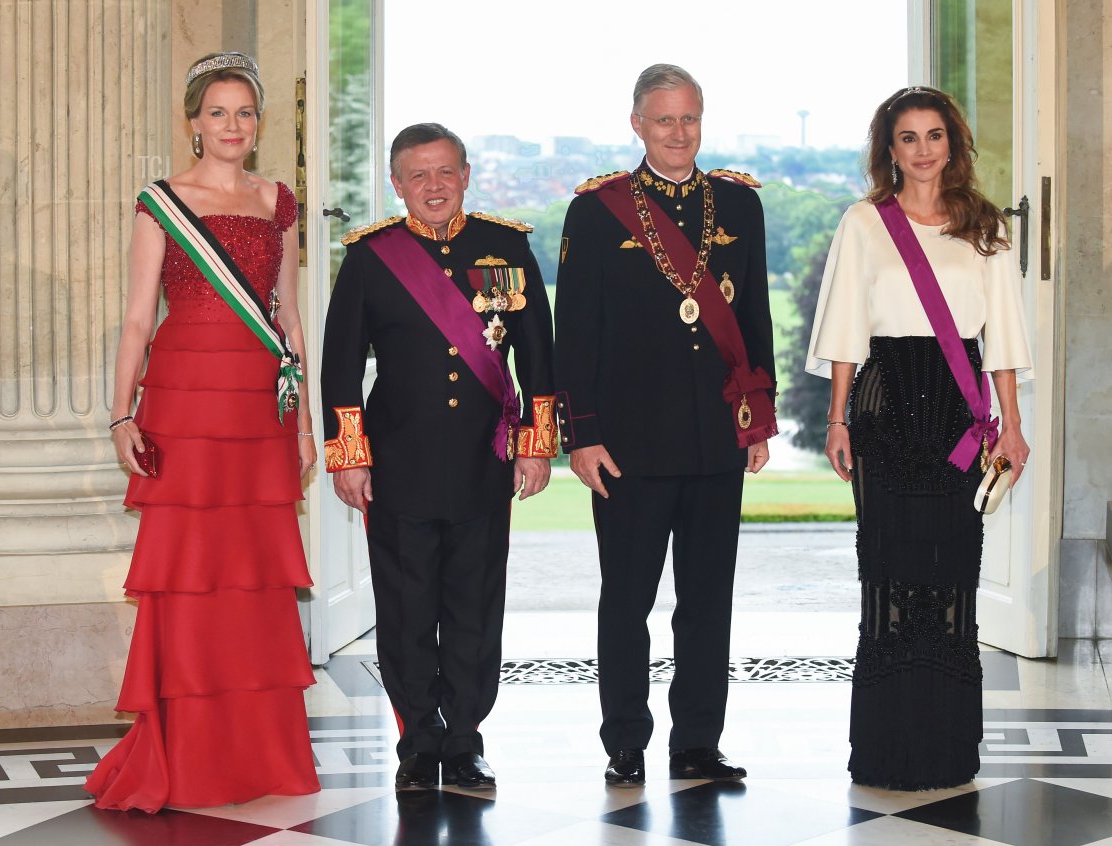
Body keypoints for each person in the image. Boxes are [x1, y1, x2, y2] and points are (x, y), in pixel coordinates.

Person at [86, 52, 320, 812]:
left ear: (257, 124)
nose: (232, 126)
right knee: (189, 573)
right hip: (184, 405)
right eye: (217, 112)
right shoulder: (164, 201)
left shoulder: (277, 200)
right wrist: (122, 413)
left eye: (244, 113)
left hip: (257, 411)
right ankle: (184, 751)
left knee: (252, 575)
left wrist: (306, 424)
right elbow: (134, 318)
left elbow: (288, 318)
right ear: (193, 123)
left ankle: (257, 750)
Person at [554, 64, 776, 787]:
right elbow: (574, 334)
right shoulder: (598, 212)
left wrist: (757, 420)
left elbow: (754, 320)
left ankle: (697, 745)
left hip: (715, 438)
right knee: (627, 602)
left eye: (690, 119)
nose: (678, 134)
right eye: (663, 120)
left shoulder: (739, 206)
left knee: (708, 604)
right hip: (628, 446)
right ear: (637, 125)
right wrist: (581, 435)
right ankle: (625, 742)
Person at [806, 85, 1033, 790]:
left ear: (953, 144)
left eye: (935, 135)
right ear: (890, 149)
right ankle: (885, 746)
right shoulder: (863, 223)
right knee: (888, 571)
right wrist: (837, 418)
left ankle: (945, 746)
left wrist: (1014, 426)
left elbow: (1003, 336)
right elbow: (845, 326)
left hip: (960, 405)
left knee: (953, 571)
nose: (924, 149)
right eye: (909, 137)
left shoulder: (985, 224)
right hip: (885, 399)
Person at [321, 123, 556, 791]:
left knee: (474, 608)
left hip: (485, 462)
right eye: (418, 175)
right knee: (405, 607)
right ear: (396, 185)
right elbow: (340, 369)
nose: (433, 186)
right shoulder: (372, 259)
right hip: (400, 468)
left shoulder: (503, 248)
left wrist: (535, 447)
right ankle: (418, 740)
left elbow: (539, 355)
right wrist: (349, 457)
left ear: (467, 174)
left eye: (445, 172)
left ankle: (466, 737)